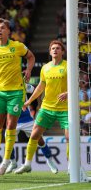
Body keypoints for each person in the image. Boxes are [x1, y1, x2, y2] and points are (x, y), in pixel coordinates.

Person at [0, 18, 35, 175]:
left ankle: (6, 160)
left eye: (2, 28)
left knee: (11, 125)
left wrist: (28, 70)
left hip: (16, 92)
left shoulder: (17, 46)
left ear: (8, 31)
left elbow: (31, 57)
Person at [15, 40, 68, 174]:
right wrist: (28, 102)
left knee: (69, 138)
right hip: (47, 107)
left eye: (58, 48)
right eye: (52, 48)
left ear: (62, 51)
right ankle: (27, 163)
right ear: (50, 52)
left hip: (65, 109)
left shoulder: (68, 66)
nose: (55, 50)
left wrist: (68, 93)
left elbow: (77, 84)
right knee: (34, 135)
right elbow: (40, 87)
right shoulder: (45, 67)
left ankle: (71, 166)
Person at [5, 83, 58, 174]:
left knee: (39, 140)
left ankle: (50, 160)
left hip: (27, 120)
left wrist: (39, 104)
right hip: (13, 120)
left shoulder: (23, 84)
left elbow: (38, 90)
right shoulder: (3, 86)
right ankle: (13, 162)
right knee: (7, 139)